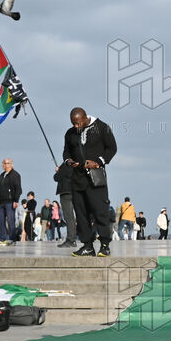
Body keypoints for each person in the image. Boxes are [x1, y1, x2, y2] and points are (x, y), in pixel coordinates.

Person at [62, 107, 117, 257]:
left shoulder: (102, 127)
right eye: (74, 123)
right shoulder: (70, 133)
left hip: (95, 179)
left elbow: (112, 148)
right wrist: (68, 161)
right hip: (77, 180)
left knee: (100, 212)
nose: (76, 126)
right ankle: (87, 246)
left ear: (85, 118)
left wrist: (98, 162)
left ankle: (105, 245)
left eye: (78, 123)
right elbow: (66, 151)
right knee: (81, 214)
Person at [0, 158, 20, 246]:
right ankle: (3, 238)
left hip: (10, 201)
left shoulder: (15, 175)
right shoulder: (2, 175)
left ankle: (12, 239)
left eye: (6, 163)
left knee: (10, 220)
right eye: (3, 163)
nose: (3, 165)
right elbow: (0, 188)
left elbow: (18, 188)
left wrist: (16, 200)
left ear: (11, 164)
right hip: (2, 201)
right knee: (0, 220)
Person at [53, 162, 77, 247]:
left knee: (68, 217)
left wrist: (58, 171)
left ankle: (71, 240)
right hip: (75, 191)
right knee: (72, 217)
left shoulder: (66, 164)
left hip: (66, 192)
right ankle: (73, 238)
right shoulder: (76, 163)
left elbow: (57, 178)